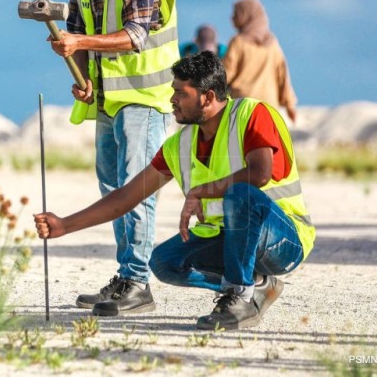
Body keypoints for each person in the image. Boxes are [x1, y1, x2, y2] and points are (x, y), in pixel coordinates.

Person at [34, 52, 315, 330]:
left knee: (241, 193)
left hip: (283, 239)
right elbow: (126, 197)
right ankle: (257, 284)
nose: (172, 100)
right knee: (165, 262)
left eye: (181, 93)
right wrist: (64, 225)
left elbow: (260, 172)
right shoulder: (179, 144)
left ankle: (240, 297)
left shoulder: (251, 113)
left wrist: (203, 191)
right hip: (233, 240)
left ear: (206, 97)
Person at [47, 0, 180, 316]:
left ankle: (138, 282)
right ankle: (125, 276)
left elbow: (136, 34)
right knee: (111, 188)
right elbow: (77, 28)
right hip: (107, 98)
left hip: (145, 97)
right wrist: (83, 79)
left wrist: (79, 42)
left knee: (135, 189)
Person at [222, 0, 297, 123]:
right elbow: (282, 76)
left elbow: (226, 74)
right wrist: (289, 104)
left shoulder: (238, 42)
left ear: (247, 15)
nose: (232, 18)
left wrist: (208, 89)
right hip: (269, 107)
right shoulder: (272, 43)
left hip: (243, 105)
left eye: (236, 13)